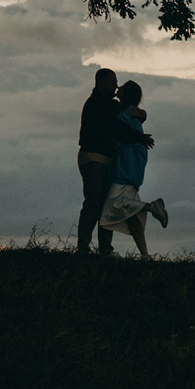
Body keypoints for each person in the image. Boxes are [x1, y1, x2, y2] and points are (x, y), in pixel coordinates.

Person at [76, 68, 150, 254]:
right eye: (112, 82)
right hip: (94, 157)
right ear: (101, 83)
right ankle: (85, 247)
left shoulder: (109, 104)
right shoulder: (97, 104)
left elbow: (129, 113)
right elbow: (115, 127)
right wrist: (138, 136)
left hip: (102, 159)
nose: (116, 86)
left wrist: (142, 114)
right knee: (94, 204)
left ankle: (102, 249)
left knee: (104, 205)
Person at [95, 80, 169, 256]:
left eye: (121, 87)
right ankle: (145, 255)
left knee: (114, 204)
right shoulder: (131, 113)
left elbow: (117, 132)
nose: (117, 87)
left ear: (126, 94)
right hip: (133, 165)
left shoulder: (125, 113)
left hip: (125, 165)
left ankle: (151, 207)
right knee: (133, 215)